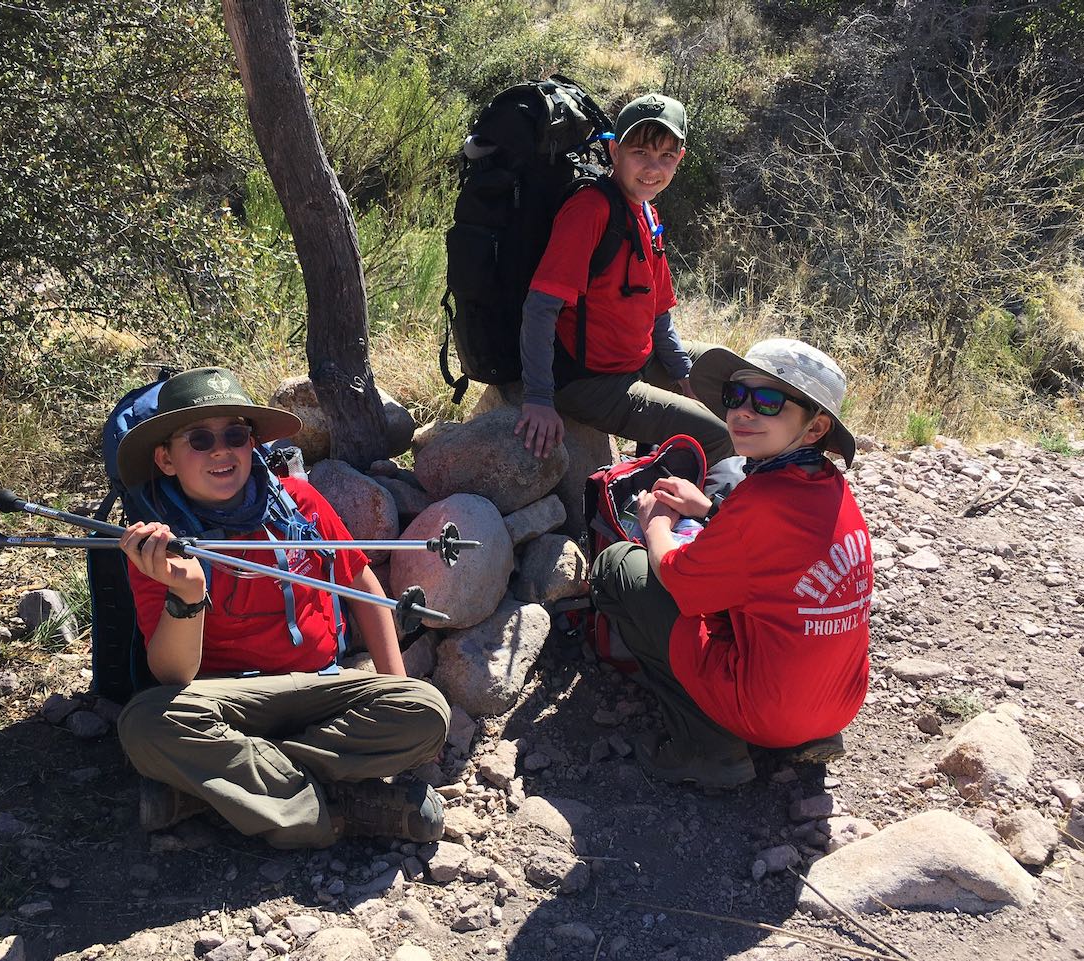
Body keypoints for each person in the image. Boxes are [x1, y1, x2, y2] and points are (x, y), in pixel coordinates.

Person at [113, 367, 450, 847]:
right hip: (226, 702)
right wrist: (186, 596)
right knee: (145, 724)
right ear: (166, 459)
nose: (222, 450)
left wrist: (395, 685)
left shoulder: (300, 503)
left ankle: (220, 795)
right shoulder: (157, 543)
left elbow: (360, 583)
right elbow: (172, 677)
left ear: (253, 444)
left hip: (323, 687)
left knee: (426, 710)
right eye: (200, 440)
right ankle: (341, 808)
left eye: (235, 434)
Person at [589, 339, 871, 789]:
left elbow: (675, 578)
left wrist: (655, 523)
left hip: (769, 710)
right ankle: (803, 736)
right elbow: (774, 554)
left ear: (815, 428)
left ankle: (707, 745)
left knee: (621, 566)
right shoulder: (830, 487)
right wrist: (710, 510)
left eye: (768, 400)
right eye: (736, 396)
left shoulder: (760, 504)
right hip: (837, 703)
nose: (742, 411)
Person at [514, 92, 734, 465]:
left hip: (637, 360)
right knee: (718, 437)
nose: (653, 167)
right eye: (640, 153)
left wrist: (684, 376)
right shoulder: (590, 209)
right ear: (615, 152)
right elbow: (540, 307)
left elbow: (658, 315)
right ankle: (661, 509)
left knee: (733, 377)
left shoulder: (646, 212)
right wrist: (538, 398)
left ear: (680, 160)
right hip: (591, 383)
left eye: (666, 156)